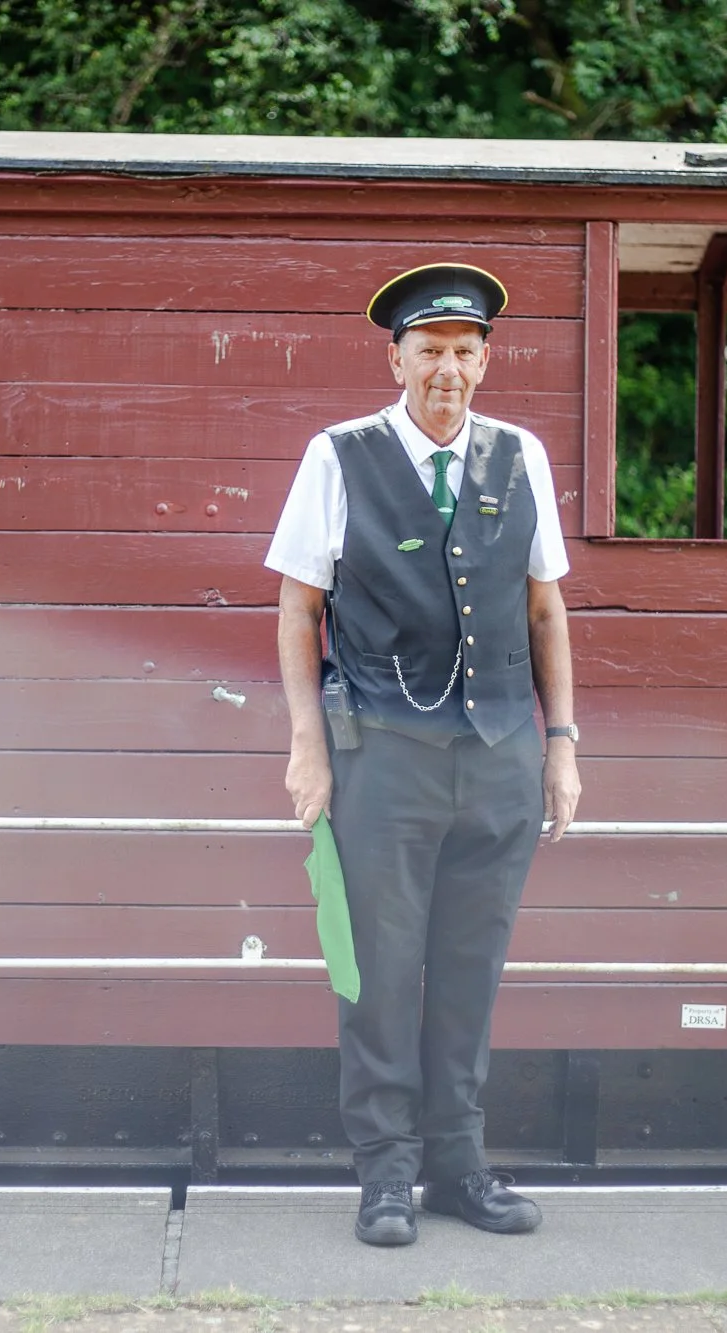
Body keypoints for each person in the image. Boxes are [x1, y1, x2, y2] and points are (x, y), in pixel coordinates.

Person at [265, 262, 582, 1247]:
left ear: (484, 359)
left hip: (499, 756)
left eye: (462, 350)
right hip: (383, 761)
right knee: (379, 972)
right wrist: (308, 748)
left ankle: (458, 1168)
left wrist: (560, 745)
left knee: (468, 973)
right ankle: (386, 1178)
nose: (445, 367)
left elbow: (542, 606)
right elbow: (295, 606)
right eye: (427, 350)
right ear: (394, 356)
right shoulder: (338, 455)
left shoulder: (518, 456)